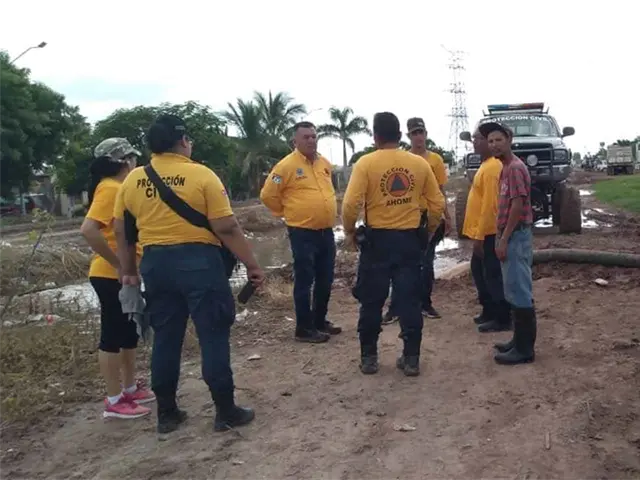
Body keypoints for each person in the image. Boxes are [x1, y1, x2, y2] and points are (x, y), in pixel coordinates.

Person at [113, 114, 265, 433]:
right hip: (199, 263)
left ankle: (167, 413)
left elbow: (122, 230)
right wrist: (252, 264)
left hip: (155, 265)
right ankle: (225, 411)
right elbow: (226, 226)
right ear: (183, 141)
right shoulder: (202, 175)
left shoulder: (133, 180)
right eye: (189, 139)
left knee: (166, 338)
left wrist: (129, 272)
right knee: (213, 334)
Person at [342, 112, 445, 376]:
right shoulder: (419, 164)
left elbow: (351, 204)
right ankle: (411, 359)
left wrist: (350, 231)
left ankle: (369, 358)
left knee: (371, 301)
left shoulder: (365, 164)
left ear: (375, 136)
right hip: (409, 240)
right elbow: (437, 204)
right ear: (400, 136)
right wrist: (428, 232)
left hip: (377, 242)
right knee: (410, 301)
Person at [80, 138, 155, 420]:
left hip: (122, 274)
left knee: (127, 333)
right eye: (132, 158)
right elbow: (88, 230)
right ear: (124, 162)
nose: (136, 163)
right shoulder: (110, 188)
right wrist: (119, 264)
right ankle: (113, 400)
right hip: (109, 274)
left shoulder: (117, 187)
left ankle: (129, 388)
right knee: (111, 336)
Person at [260, 121, 341, 343]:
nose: (311, 140)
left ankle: (319, 321)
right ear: (295, 141)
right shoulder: (285, 166)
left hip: (326, 232)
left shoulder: (324, 163)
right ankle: (303, 328)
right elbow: (267, 195)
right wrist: (285, 212)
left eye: (314, 136)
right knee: (305, 280)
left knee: (325, 279)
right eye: (306, 137)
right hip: (302, 232)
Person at [479, 121, 537, 365]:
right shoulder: (505, 168)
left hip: (516, 235)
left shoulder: (514, 168)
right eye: (490, 141)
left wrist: (503, 239)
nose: (494, 145)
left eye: (498, 140)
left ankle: (524, 349)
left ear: (509, 139)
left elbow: (517, 205)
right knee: (513, 288)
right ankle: (518, 340)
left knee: (520, 290)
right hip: (510, 234)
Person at [382, 118, 450, 324]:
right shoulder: (403, 159)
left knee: (427, 263)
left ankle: (425, 304)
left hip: (429, 217)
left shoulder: (435, 160)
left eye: (421, 132)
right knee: (399, 264)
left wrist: (447, 217)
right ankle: (395, 307)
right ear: (408, 136)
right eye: (414, 133)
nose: (418, 137)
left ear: (426, 134)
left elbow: (440, 190)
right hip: (407, 217)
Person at [462, 129, 511, 332]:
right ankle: (489, 310)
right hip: (482, 232)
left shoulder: (492, 168)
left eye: (479, 139)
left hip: (489, 232)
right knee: (479, 271)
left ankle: (503, 317)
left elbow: (490, 207)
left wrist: (480, 237)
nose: (475, 142)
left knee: (492, 274)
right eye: (474, 138)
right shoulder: (485, 165)